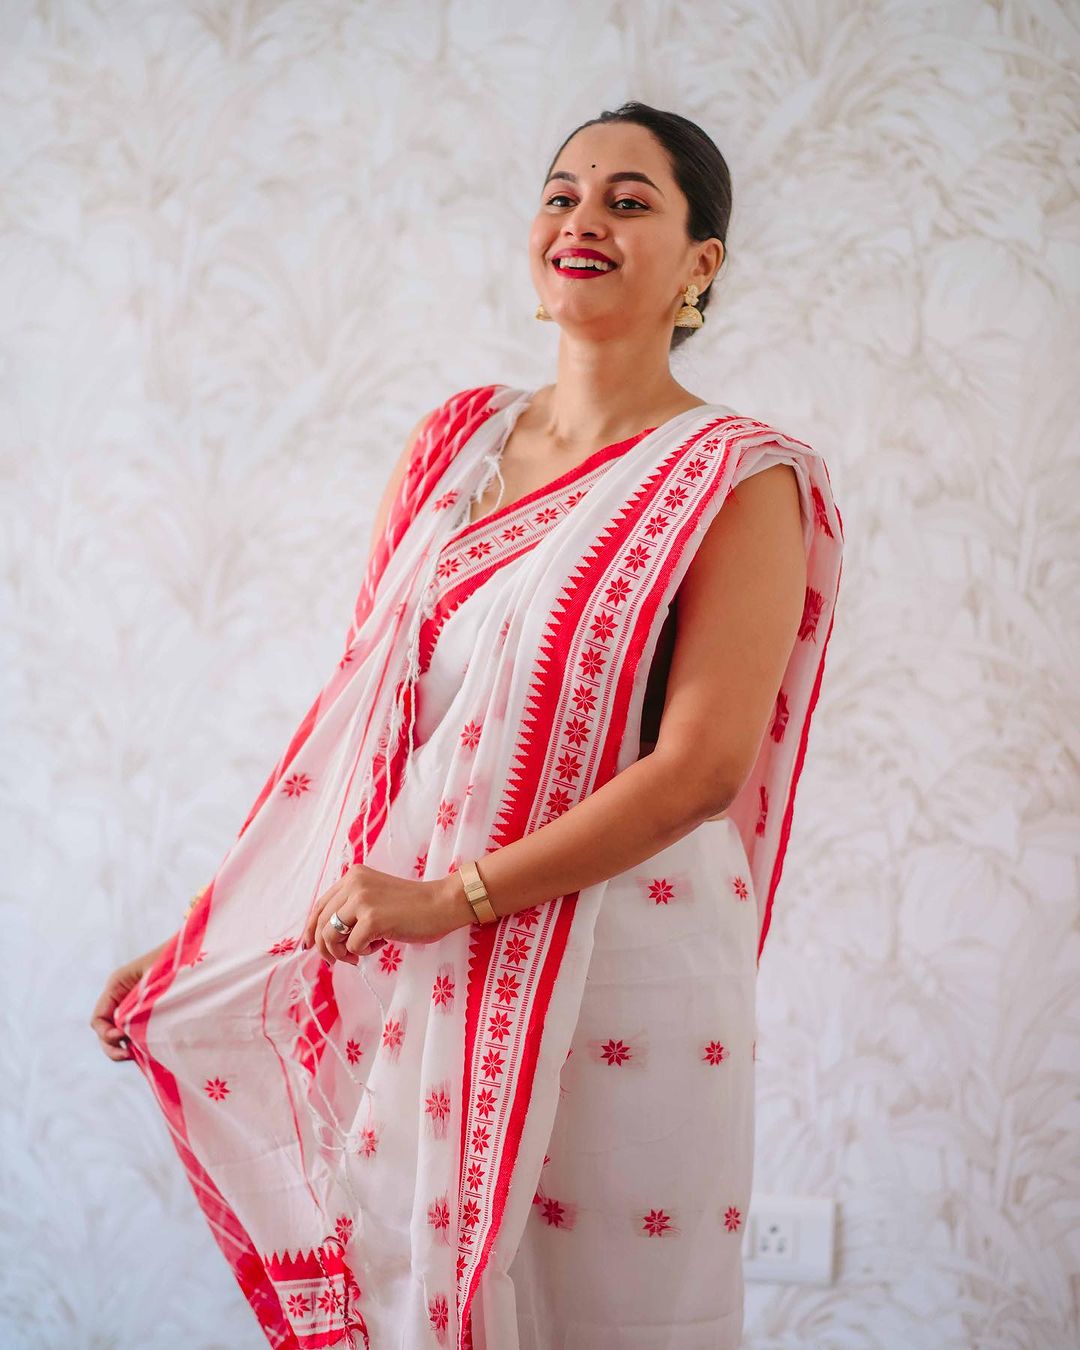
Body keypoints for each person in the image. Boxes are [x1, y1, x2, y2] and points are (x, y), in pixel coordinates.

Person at [90, 101, 844, 1350]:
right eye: (561, 194)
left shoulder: (738, 475)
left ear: (701, 263)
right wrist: (207, 940)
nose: (582, 219)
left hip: (627, 960)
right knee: (419, 1286)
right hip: (422, 947)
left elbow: (704, 769)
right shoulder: (455, 445)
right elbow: (361, 736)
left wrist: (459, 897)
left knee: (609, 1309)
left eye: (629, 199)